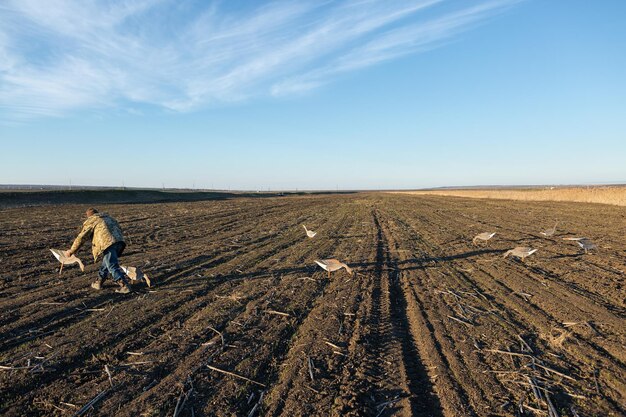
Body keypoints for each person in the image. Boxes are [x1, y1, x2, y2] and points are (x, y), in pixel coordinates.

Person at [66, 208, 132, 294]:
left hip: (108, 243)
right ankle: (99, 282)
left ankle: (124, 285)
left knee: (111, 264)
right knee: (107, 263)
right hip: (119, 241)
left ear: (89, 216)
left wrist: (71, 250)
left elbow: (81, 238)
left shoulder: (92, 220)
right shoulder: (109, 218)